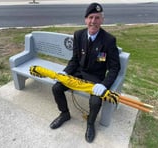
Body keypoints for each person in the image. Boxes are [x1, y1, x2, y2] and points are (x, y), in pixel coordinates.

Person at [50, 2, 121, 143]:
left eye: (97, 17)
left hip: (96, 78)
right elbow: (75, 59)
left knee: (95, 101)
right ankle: (64, 114)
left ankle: (90, 124)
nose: (93, 21)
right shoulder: (79, 35)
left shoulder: (108, 40)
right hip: (78, 72)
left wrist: (105, 85)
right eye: (90, 17)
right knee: (56, 87)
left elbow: (114, 68)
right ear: (85, 19)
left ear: (102, 20)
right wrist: (65, 72)